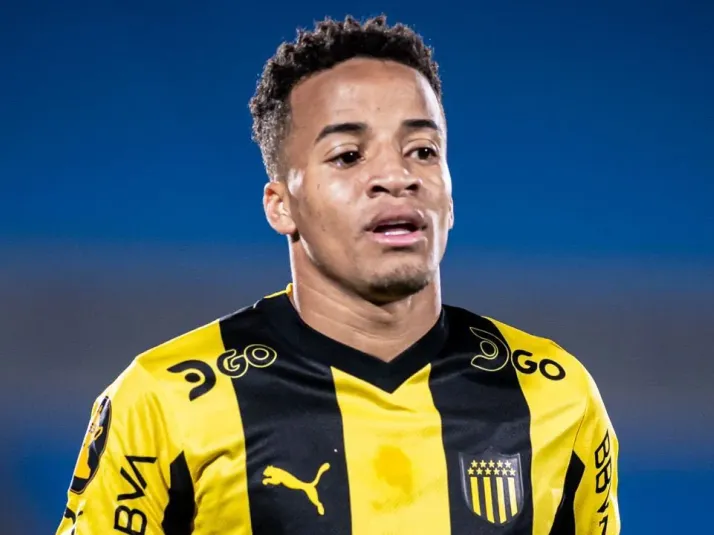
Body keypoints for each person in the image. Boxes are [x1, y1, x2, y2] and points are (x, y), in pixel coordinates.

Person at [56, 15, 620, 535]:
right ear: (281, 205)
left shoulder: (555, 396)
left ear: (451, 197)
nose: (396, 176)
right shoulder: (163, 401)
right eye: (349, 156)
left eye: (423, 151)